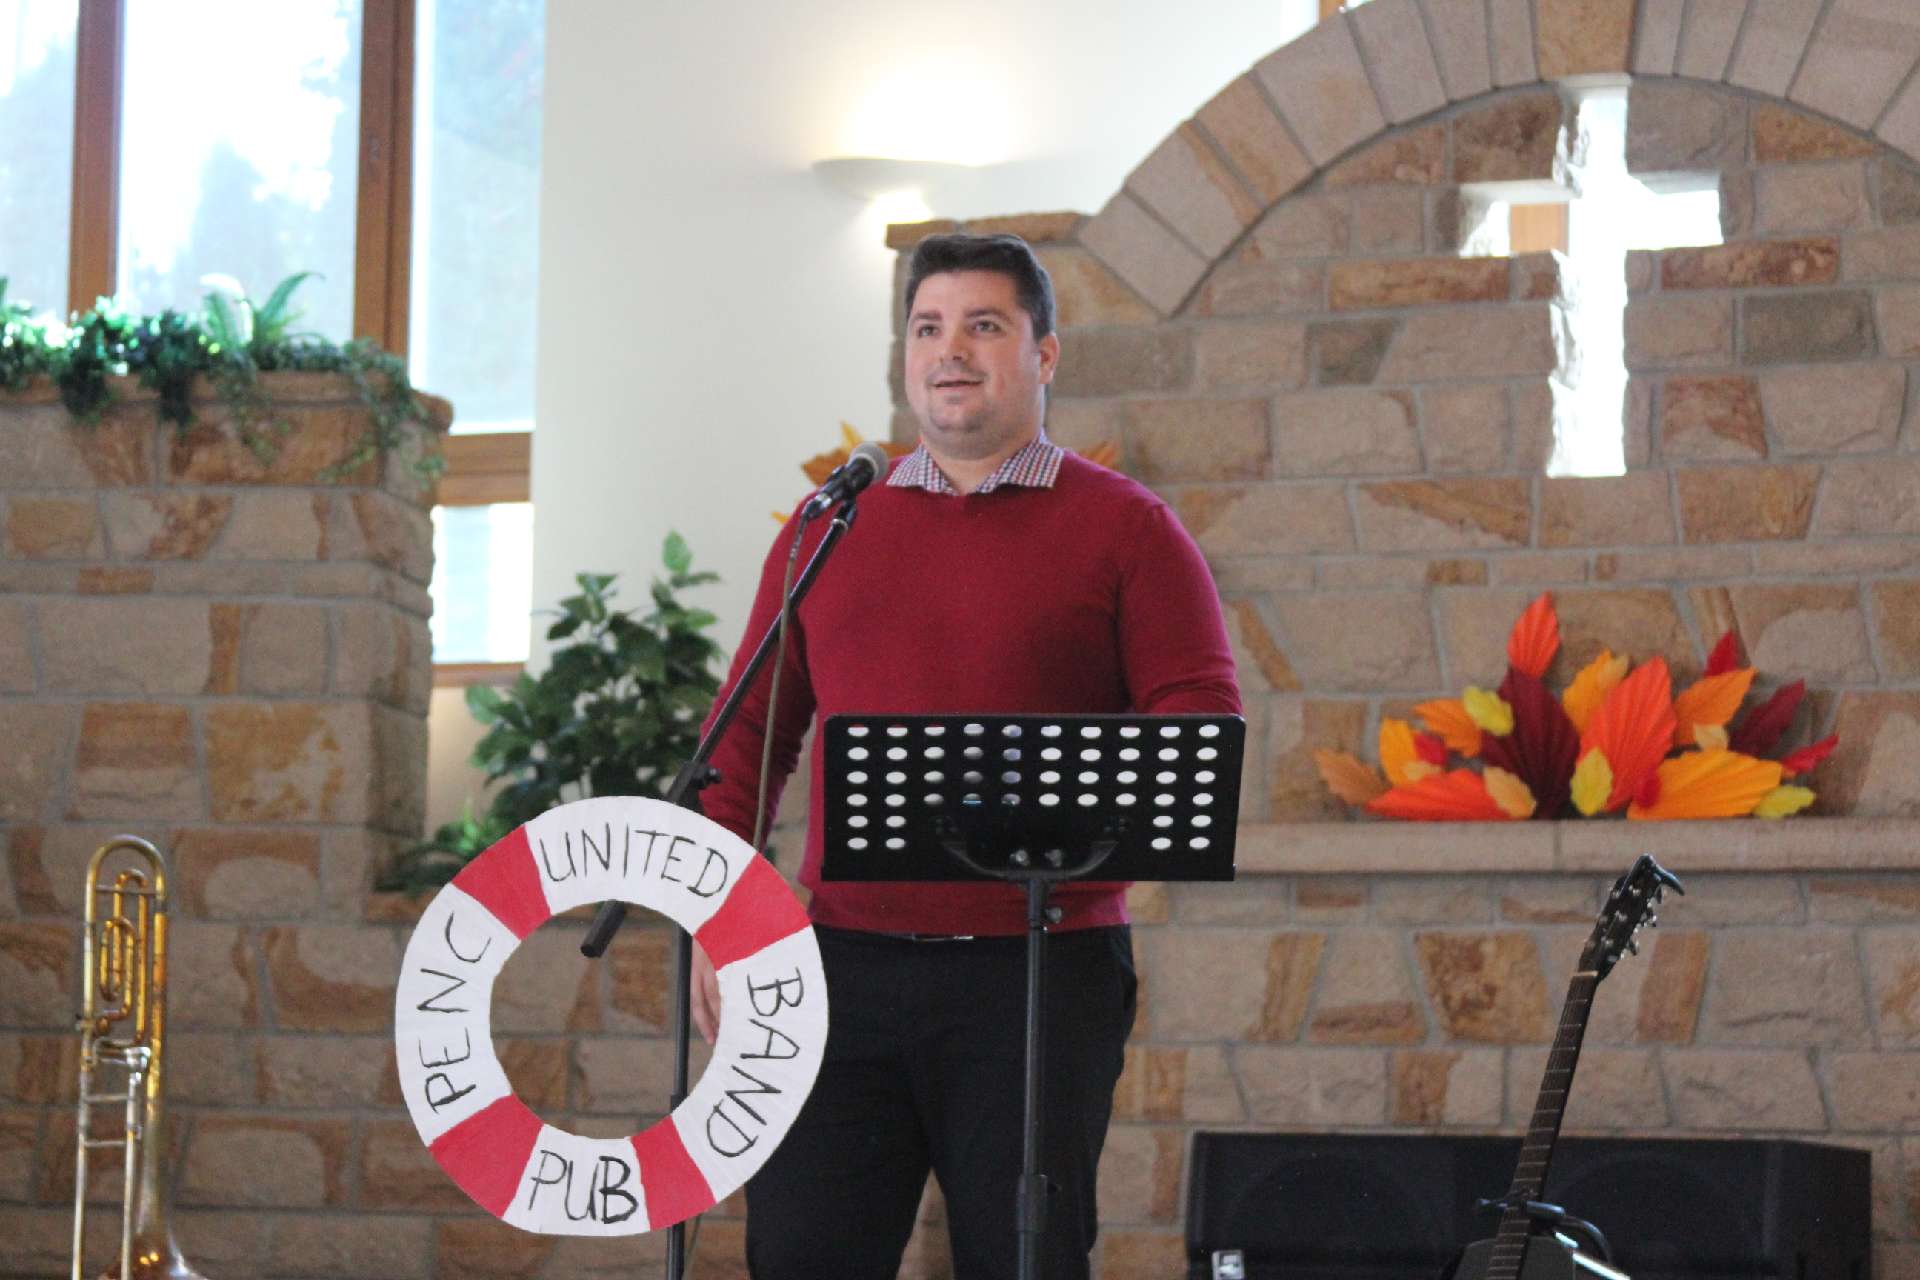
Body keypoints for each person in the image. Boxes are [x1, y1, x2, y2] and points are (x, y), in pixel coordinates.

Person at [690, 232, 1241, 1279]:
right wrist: (724, 917)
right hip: (837, 971)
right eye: (927, 328)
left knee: (1022, 1260)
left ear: (1044, 354)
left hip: (1039, 972)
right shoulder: (827, 527)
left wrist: (1074, 808)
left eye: (984, 326)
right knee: (801, 1255)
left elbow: (1197, 721)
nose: (950, 350)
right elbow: (745, 740)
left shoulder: (1129, 528)